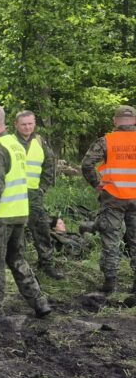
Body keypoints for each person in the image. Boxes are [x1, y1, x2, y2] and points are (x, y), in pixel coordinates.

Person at [0, 104, 51, 324]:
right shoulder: (15, 145)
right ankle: (40, 302)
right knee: (16, 259)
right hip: (19, 213)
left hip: (0, 217)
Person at [81, 105, 136, 294]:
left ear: (115, 121)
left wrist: (97, 184)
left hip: (113, 198)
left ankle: (110, 283)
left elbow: (87, 164)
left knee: (111, 240)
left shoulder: (106, 141)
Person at [13, 110, 62, 279]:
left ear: (34, 124)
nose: (27, 127)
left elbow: (49, 165)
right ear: (16, 125)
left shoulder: (40, 142)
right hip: (12, 194)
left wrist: (42, 188)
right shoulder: (9, 141)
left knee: (41, 229)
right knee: (14, 231)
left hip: (34, 194)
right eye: (23, 124)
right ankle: (16, 265)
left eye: (30, 124)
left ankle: (46, 264)